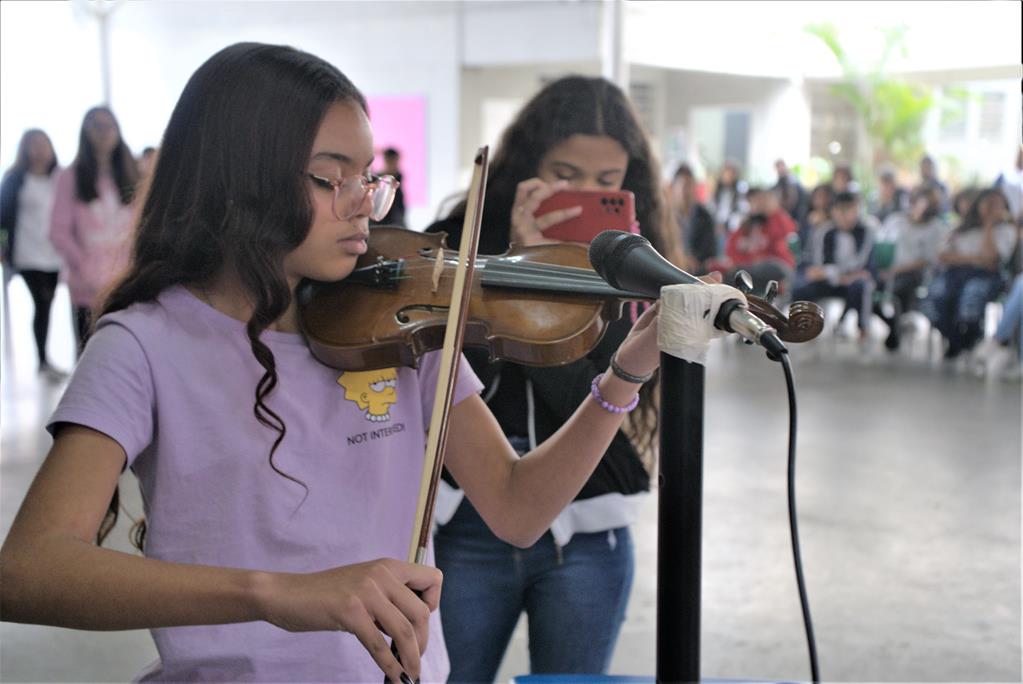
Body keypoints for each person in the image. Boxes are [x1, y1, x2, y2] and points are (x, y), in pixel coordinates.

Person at [0, 44, 673, 684]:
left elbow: (517, 509)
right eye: (329, 178)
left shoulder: (402, 327)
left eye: (367, 177)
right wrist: (276, 594)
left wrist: (626, 371)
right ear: (239, 178)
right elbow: (29, 570)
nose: (362, 203)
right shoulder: (144, 344)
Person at [424, 75, 680, 682]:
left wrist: (552, 298)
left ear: (628, 183)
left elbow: (588, 401)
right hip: (467, 521)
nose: (586, 192)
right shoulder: (470, 235)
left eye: (607, 182)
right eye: (565, 174)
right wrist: (516, 266)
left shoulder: (635, 261)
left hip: (591, 527)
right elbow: (454, 384)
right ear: (528, 165)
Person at [49, 106, 139, 352]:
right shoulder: (71, 176)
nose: (104, 132)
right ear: (86, 132)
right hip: (87, 288)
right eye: (97, 126)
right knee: (91, 353)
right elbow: (58, 232)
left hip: (127, 284)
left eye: (109, 125)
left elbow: (141, 226)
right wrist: (86, 267)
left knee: (127, 353)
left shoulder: (130, 174)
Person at [922, 188, 1017, 359]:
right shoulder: (960, 229)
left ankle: (968, 342)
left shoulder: (1006, 231)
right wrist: (974, 259)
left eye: (996, 205)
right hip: (954, 275)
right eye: (988, 203)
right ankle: (959, 342)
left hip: (985, 277)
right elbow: (943, 255)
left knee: (970, 301)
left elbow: (990, 259)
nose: (990, 208)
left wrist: (989, 225)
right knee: (933, 301)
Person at [0, 129, 66, 378]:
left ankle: (49, 359)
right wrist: (2, 249)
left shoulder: (61, 178)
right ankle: (42, 360)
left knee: (48, 304)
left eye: (43, 144)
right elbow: (2, 220)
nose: (39, 150)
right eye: (34, 145)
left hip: (55, 253)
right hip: (27, 253)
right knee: (42, 301)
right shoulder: (15, 180)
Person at [791, 191, 876, 338]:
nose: (846, 215)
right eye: (841, 210)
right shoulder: (825, 231)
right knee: (801, 288)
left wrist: (836, 273)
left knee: (861, 286)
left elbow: (861, 261)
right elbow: (819, 263)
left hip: (855, 279)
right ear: (834, 212)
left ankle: (862, 329)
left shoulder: (866, 231)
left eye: (851, 210)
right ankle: (805, 328)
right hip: (831, 280)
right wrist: (836, 275)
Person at [872, 185, 946, 350]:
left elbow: (928, 259)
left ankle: (898, 329)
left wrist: (897, 270)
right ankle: (893, 325)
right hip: (888, 271)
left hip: (914, 274)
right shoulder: (896, 220)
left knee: (903, 288)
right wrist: (884, 268)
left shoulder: (936, 227)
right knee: (869, 292)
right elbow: (881, 246)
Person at [670, 162, 717, 274]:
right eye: (682, 186)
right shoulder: (666, 215)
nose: (685, 191)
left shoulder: (705, 215)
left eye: (689, 185)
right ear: (673, 188)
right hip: (671, 265)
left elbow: (710, 249)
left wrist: (696, 260)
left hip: (698, 270)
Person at [371, 147, 406, 227]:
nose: (395, 164)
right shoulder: (378, 180)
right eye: (392, 161)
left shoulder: (397, 179)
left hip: (395, 222)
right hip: (378, 222)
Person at [772, 158, 807, 223]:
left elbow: (802, 201)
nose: (780, 169)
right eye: (778, 167)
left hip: (795, 216)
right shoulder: (776, 188)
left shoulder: (796, 185)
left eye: (782, 167)